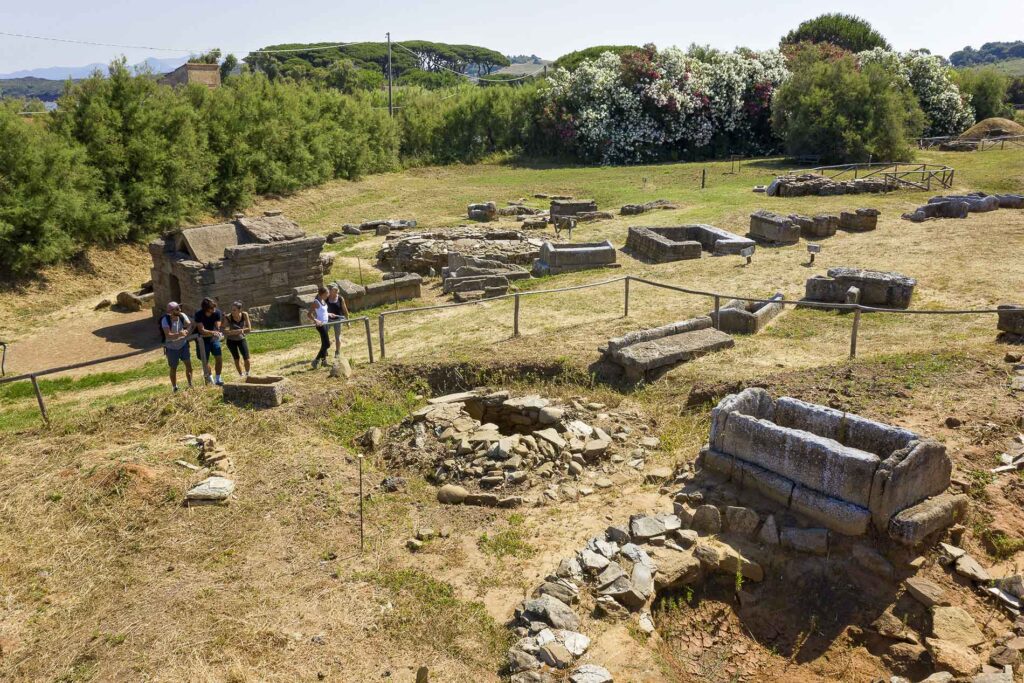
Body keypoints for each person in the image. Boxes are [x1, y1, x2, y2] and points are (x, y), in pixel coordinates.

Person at [160, 302, 193, 392]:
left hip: (183, 345)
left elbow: (189, 324)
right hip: (171, 348)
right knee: (173, 368)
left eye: (179, 308)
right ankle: (174, 387)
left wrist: (186, 331)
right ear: (171, 311)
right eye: (177, 309)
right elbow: (168, 335)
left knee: (188, 365)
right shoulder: (165, 320)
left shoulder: (182, 315)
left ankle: (190, 384)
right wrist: (180, 334)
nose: (180, 310)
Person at [194, 297, 225, 386]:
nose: (214, 309)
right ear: (206, 309)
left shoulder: (217, 312)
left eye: (214, 307)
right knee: (205, 361)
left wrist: (218, 330)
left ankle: (218, 379)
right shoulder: (199, 314)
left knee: (219, 357)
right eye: (211, 308)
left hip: (213, 338)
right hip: (202, 340)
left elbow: (217, 326)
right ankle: (210, 380)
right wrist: (213, 332)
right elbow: (201, 330)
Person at [224, 301, 252, 378]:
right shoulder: (228, 317)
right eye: (232, 310)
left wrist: (241, 331)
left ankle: (248, 373)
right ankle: (241, 375)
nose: (232, 312)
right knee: (236, 358)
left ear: (240, 310)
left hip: (241, 338)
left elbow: (249, 329)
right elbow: (223, 330)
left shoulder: (244, 315)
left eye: (234, 310)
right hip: (231, 341)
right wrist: (233, 332)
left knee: (247, 358)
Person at [307, 286, 331, 369]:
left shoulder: (323, 301)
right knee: (327, 344)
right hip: (320, 326)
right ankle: (316, 361)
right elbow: (309, 314)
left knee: (324, 344)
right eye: (327, 293)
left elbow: (323, 313)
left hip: (325, 324)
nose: (328, 295)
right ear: (322, 294)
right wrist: (315, 320)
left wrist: (329, 314)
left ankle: (324, 362)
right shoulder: (316, 302)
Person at [325, 283, 350, 358]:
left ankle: (337, 352)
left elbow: (345, 310)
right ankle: (325, 349)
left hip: (338, 319)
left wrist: (347, 321)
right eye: (333, 290)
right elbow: (322, 310)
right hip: (328, 319)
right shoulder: (326, 298)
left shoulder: (340, 298)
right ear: (330, 290)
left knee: (338, 336)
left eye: (336, 290)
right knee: (324, 335)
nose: (335, 291)